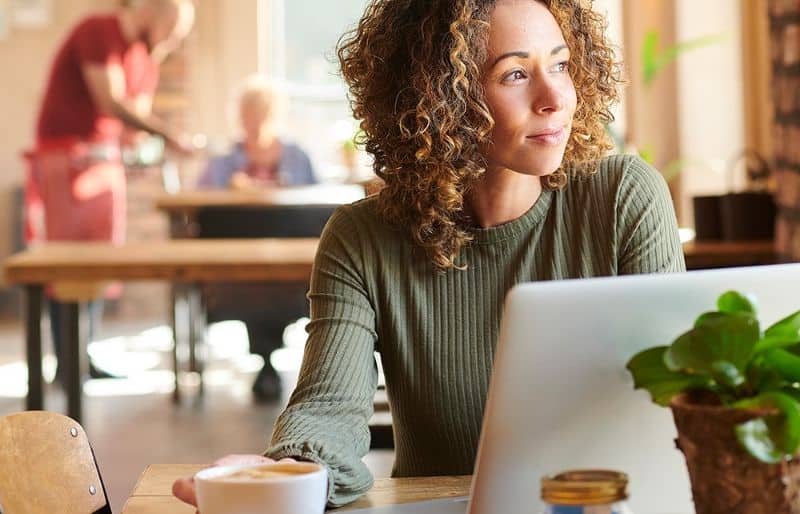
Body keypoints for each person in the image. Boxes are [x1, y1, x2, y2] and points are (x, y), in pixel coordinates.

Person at [173, 0, 684, 508]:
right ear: (442, 96)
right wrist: (288, 474)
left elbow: (680, 398)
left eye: (561, 64)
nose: (555, 97)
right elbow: (329, 408)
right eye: (513, 75)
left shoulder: (622, 198)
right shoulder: (362, 238)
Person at [25, 0, 196, 380]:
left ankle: (83, 357)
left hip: (104, 162)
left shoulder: (145, 59)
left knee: (101, 262)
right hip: (65, 157)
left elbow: (132, 126)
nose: (170, 43)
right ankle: (66, 363)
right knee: (64, 262)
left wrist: (145, 149)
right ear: (155, 14)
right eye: (172, 32)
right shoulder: (98, 31)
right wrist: (168, 134)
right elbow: (110, 100)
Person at [197, 77, 317, 401]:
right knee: (255, 285)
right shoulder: (221, 163)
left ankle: (266, 363)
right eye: (249, 112)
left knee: (279, 285)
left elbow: (318, 209)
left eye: (263, 111)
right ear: (238, 116)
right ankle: (266, 363)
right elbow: (200, 212)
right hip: (238, 273)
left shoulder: (298, 157)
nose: (256, 119)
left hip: (290, 269)